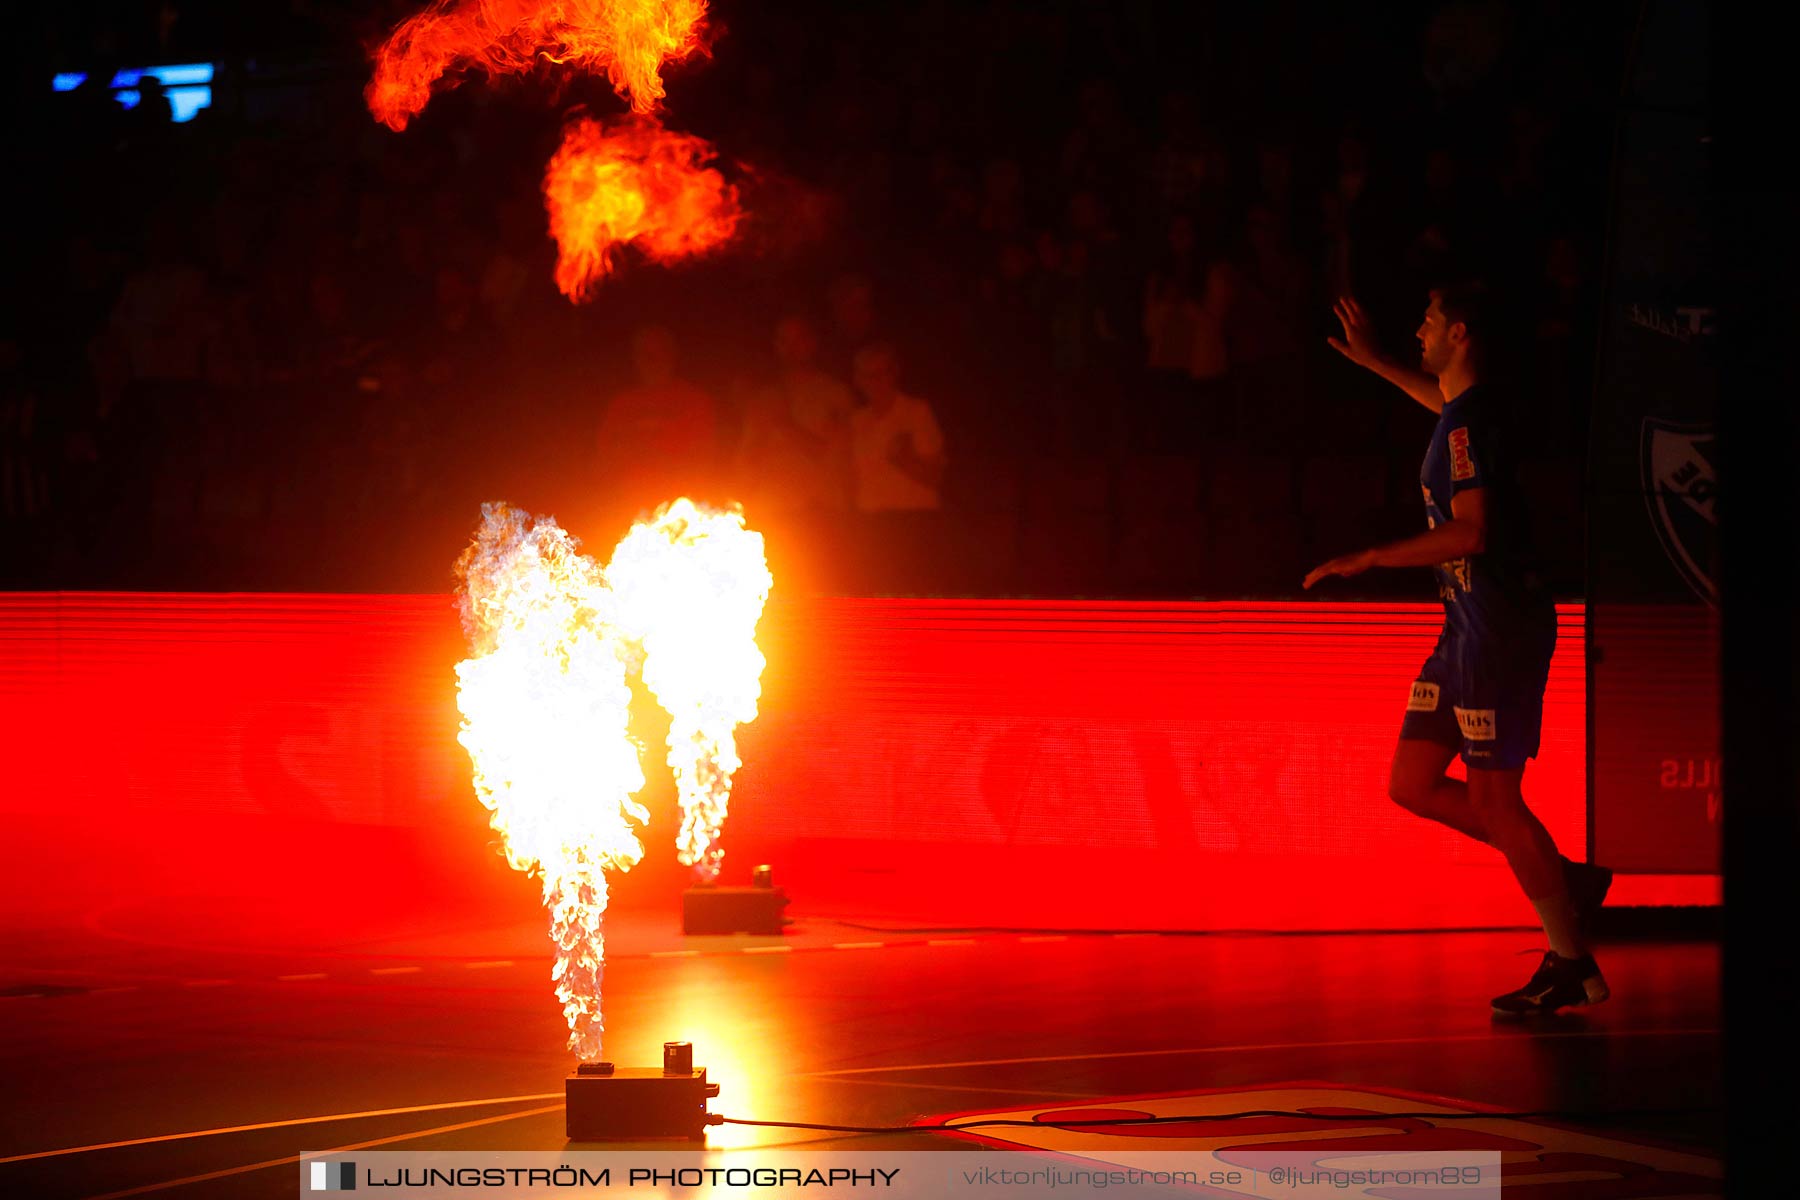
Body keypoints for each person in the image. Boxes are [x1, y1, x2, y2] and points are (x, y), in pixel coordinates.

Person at [1304, 284, 1613, 1017]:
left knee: (1496, 804)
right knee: (1410, 782)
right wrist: (1375, 361)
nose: (1419, 328)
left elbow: (1472, 531)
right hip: (1462, 630)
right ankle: (1565, 876)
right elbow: (1439, 406)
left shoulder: (1470, 426)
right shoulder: (1463, 415)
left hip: (1498, 630)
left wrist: (1374, 555)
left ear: (1462, 332)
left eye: (1430, 320)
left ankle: (1573, 965)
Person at [849, 343, 945, 512]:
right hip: (870, 523)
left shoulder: (916, 412)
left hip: (912, 519)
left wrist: (903, 459)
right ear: (858, 379)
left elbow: (936, 477)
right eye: (867, 375)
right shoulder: (855, 421)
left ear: (894, 373)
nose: (875, 381)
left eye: (881, 373)